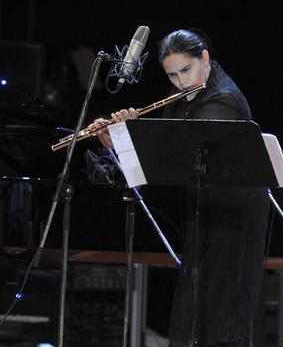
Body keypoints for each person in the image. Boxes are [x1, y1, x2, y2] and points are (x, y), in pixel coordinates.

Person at [90, 29, 270, 346]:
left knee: (218, 323)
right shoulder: (184, 98)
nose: (181, 82)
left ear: (205, 59)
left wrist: (131, 136)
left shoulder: (221, 101)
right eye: (172, 75)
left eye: (186, 71)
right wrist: (119, 137)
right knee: (191, 320)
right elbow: (156, 162)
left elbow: (179, 159)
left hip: (230, 224)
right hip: (204, 217)